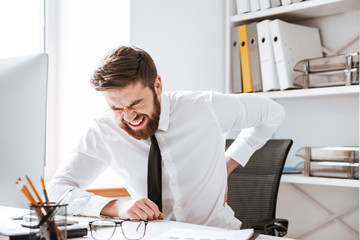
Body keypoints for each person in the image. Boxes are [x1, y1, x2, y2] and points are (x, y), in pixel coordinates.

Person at [48, 45, 285, 230]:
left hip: (218, 234)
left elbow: (273, 113)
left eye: (136, 103)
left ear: (158, 85)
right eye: (117, 108)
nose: (129, 116)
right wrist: (116, 206)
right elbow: (57, 190)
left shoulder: (205, 107)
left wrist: (229, 161)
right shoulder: (104, 130)